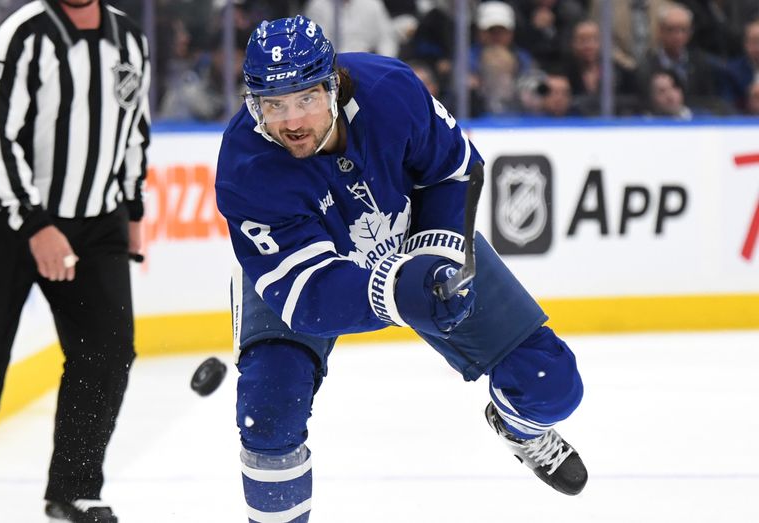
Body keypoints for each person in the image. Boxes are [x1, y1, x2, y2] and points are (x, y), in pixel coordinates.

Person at [216, 15, 587, 522]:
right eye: (274, 105)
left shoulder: (389, 89)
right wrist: (395, 290)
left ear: (331, 84)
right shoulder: (246, 167)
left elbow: (455, 171)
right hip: (304, 268)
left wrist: (434, 257)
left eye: (305, 98)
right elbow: (305, 296)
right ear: (254, 104)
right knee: (268, 410)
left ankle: (516, 426)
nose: (292, 121)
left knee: (551, 383)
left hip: (411, 233)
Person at [0, 1, 150, 521]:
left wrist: (133, 208)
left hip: (96, 221)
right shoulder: (20, 35)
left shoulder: (130, 40)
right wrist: (34, 223)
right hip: (2, 221)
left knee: (107, 353)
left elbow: (134, 129)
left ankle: (74, 487)